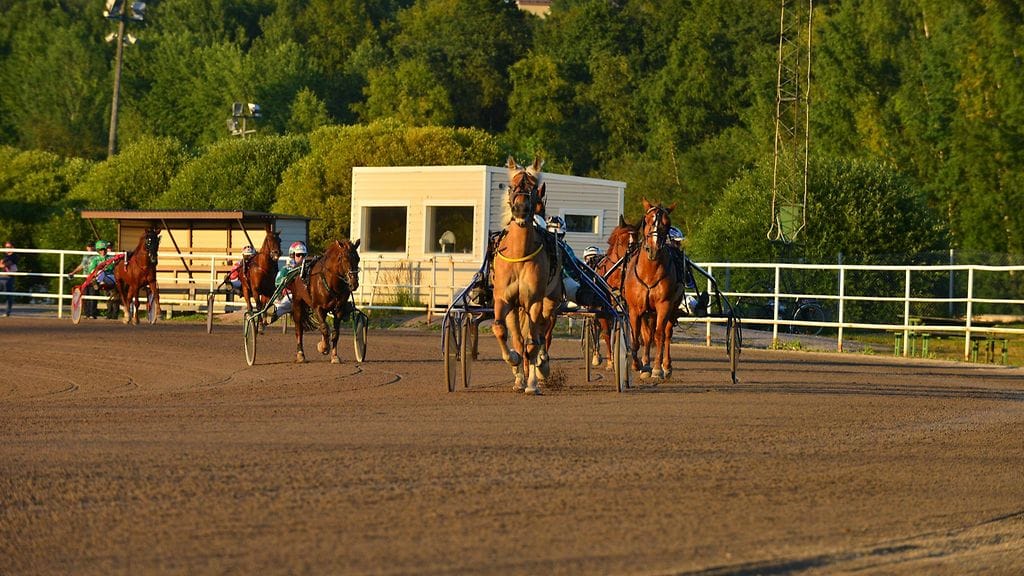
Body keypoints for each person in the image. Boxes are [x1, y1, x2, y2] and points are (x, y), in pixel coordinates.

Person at [666, 227, 706, 316]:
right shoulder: (676, 257)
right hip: (670, 297)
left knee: (687, 299)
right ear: (669, 241)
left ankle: (698, 307)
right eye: (677, 242)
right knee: (688, 300)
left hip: (669, 295)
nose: (679, 245)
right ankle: (698, 308)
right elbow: (689, 282)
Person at [271, 241, 308, 321]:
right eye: (298, 255)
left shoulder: (308, 268)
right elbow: (277, 282)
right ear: (292, 255)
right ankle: (269, 318)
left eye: (303, 255)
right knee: (284, 305)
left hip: (306, 295)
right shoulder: (287, 269)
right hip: (289, 295)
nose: (301, 257)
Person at [67, 241, 97, 318]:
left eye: (91, 246)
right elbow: (82, 265)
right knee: (86, 295)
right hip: (86, 277)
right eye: (89, 246)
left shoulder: (96, 256)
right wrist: (73, 272)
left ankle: (92, 314)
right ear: (87, 247)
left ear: (94, 247)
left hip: (93, 278)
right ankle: (87, 314)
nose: (90, 248)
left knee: (93, 295)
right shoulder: (85, 255)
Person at [1, 241, 18, 316]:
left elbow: (4, 265)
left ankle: (7, 312)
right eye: (6, 247)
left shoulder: (14, 256)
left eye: (9, 247)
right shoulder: (5, 255)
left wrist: (3, 264)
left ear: (12, 247)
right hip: (3, 275)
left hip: (10, 276)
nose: (7, 249)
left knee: (9, 294)